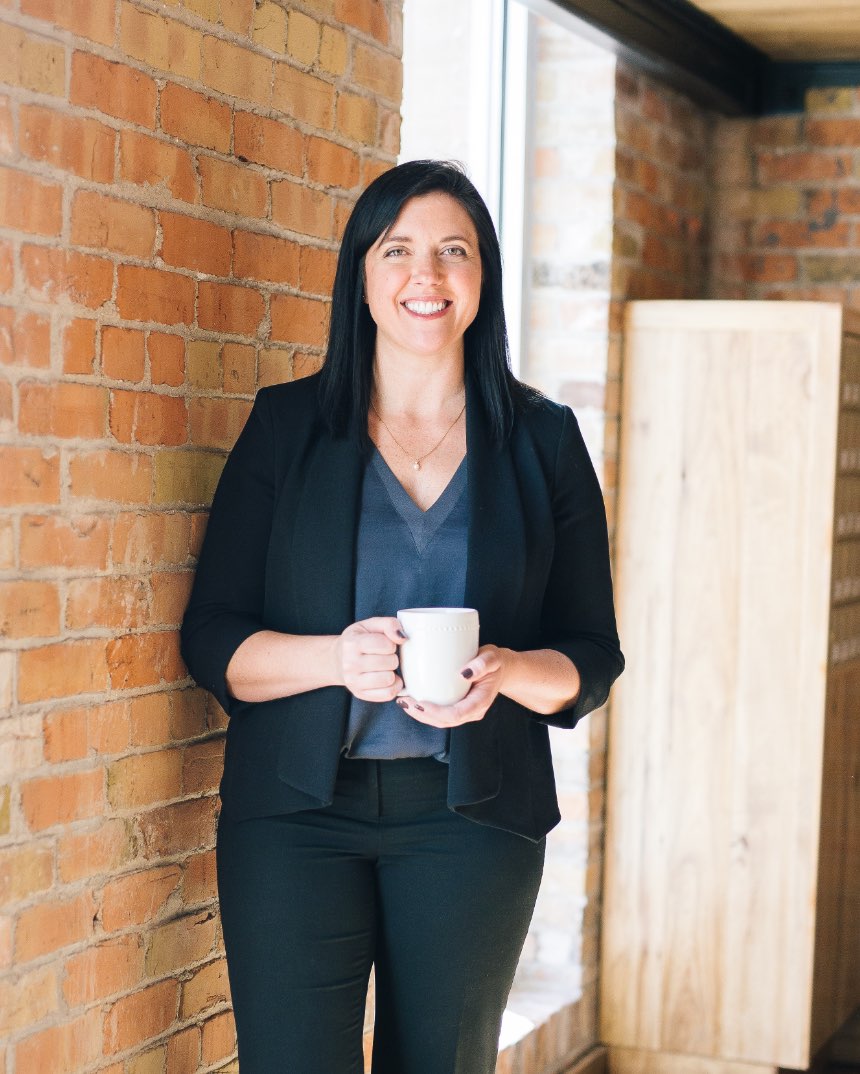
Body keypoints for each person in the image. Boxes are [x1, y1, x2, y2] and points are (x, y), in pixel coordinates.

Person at [180, 159, 623, 1074]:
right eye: (401, 252)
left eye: (454, 252)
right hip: (294, 816)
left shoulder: (543, 441)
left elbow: (591, 655)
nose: (428, 276)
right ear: (363, 276)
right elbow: (212, 638)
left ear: (481, 280)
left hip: (472, 821)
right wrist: (333, 660)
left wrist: (503, 673)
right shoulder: (285, 428)